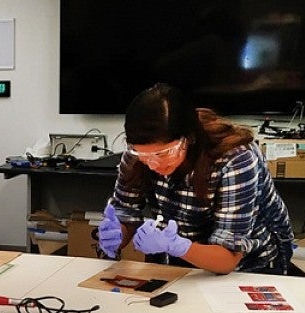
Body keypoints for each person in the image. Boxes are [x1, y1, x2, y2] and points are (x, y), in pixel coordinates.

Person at [99, 83, 294, 274]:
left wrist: (176, 245)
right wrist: (117, 233)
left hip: (248, 268)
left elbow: (228, 259)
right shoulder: (135, 157)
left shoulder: (235, 158)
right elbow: (126, 213)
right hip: (177, 265)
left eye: (164, 153)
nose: (153, 164)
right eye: (144, 155)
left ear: (189, 138)